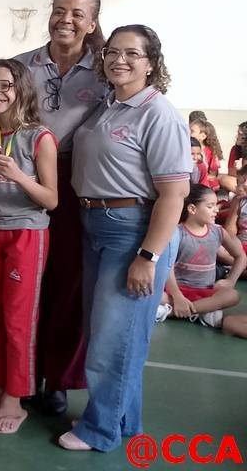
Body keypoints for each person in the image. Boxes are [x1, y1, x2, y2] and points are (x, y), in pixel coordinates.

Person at [59, 24, 190, 452]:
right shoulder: (109, 105)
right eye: (113, 52)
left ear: (151, 63)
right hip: (95, 224)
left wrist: (148, 257)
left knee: (113, 341)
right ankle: (123, 418)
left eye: (132, 54)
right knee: (110, 333)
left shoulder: (159, 113)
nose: (120, 60)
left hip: (133, 232)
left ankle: (100, 431)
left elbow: (174, 195)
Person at [13, 0, 109, 415]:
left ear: (92, 23)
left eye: (76, 13)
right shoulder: (21, 66)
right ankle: (22, 374)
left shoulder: (107, 71)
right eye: (58, 10)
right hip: (24, 180)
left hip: (78, 184)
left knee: (68, 284)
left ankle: (58, 380)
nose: (64, 19)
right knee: (25, 282)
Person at [0, 59, 58, 434]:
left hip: (26, 233)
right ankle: (1, 385)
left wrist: (18, 176)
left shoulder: (39, 137)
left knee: (18, 319)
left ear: (20, 89)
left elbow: (51, 199)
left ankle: (15, 398)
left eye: (4, 85)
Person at [158, 184, 244, 328]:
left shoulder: (218, 232)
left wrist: (230, 280)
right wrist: (177, 296)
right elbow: (168, 267)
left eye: (216, 205)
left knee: (233, 295)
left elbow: (241, 256)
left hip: (206, 290)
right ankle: (202, 310)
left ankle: (173, 312)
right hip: (176, 290)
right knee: (154, 294)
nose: (216, 210)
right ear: (192, 209)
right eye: (210, 206)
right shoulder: (177, 233)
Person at [189, 119, 223, 190]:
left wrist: (201, 176)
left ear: (203, 136)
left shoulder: (210, 152)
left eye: (192, 131)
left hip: (204, 182)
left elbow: (213, 175)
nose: (188, 133)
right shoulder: (185, 148)